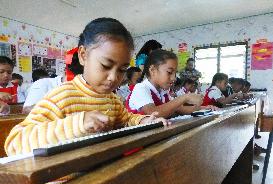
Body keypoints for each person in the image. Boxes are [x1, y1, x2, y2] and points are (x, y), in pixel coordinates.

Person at [5, 17, 168, 156]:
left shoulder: (112, 100)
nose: (113, 77)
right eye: (105, 65)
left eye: (122, 69)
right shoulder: (62, 96)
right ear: (83, 55)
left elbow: (126, 120)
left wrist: (144, 121)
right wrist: (77, 124)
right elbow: (15, 143)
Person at [126, 49, 203, 118]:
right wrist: (185, 97)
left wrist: (204, 108)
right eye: (169, 72)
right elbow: (153, 113)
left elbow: (179, 109)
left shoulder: (163, 91)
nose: (174, 78)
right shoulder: (141, 88)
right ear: (153, 70)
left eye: (175, 73)